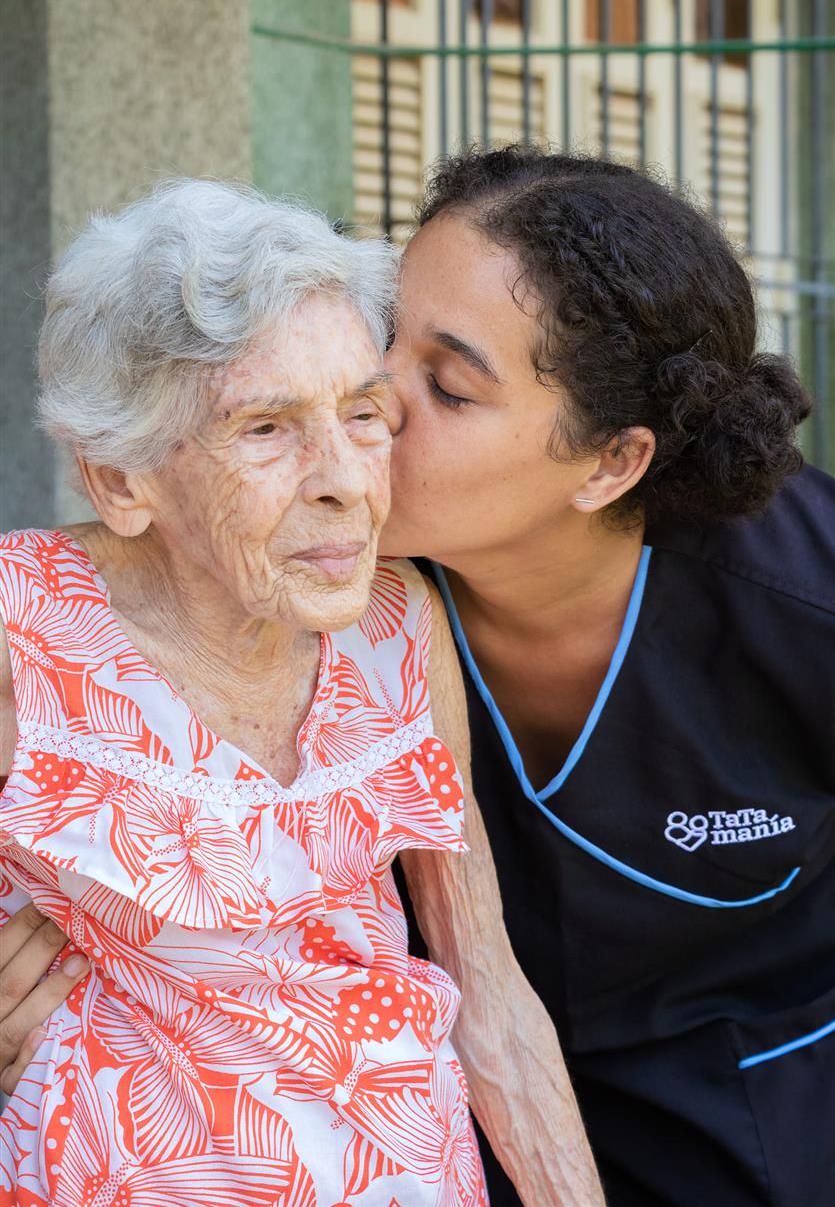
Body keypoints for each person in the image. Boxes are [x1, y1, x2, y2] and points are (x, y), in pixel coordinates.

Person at [6, 146, 834, 1205]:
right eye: (386, 339)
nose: (374, 419)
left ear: (609, 463)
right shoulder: (329, 601)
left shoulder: (794, 609)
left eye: (442, 386)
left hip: (752, 1117)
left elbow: (486, 996)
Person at [0, 177, 602, 1206]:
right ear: (121, 480)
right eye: (266, 429)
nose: (348, 480)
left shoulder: (395, 621)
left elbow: (487, 992)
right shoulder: (22, 629)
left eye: (363, 413)